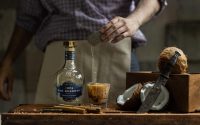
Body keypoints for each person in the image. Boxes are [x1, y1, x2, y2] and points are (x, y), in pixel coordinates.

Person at [0, 0, 167, 103]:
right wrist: (8, 61)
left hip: (116, 51)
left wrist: (134, 20)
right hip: (60, 56)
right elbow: (28, 17)